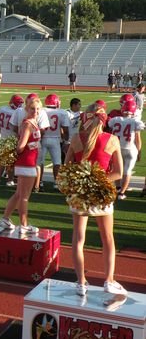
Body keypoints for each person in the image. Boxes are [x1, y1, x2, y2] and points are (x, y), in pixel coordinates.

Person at [65, 102, 126, 297]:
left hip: (80, 194)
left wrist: (85, 180)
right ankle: (108, 280)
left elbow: (66, 168)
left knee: (78, 238)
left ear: (85, 118)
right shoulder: (112, 139)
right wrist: (98, 180)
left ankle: (81, 282)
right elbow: (118, 173)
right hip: (101, 194)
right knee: (107, 239)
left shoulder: (76, 138)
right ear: (103, 119)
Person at [0, 98, 42, 234]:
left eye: (38, 109)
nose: (35, 111)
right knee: (24, 196)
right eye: (32, 108)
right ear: (27, 109)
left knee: (18, 194)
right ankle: (23, 225)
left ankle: (5, 218)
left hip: (29, 162)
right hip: (26, 163)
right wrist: (33, 145)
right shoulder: (27, 124)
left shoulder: (33, 122)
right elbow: (20, 147)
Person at [108, 100, 143, 200]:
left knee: (117, 168)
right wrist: (139, 151)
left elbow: (110, 129)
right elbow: (137, 139)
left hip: (116, 148)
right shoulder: (136, 121)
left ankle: (118, 188)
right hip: (130, 148)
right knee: (127, 170)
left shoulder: (115, 119)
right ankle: (122, 193)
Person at [36, 94, 69, 190]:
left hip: (43, 138)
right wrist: (66, 141)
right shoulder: (62, 112)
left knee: (40, 162)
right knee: (57, 162)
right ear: (56, 102)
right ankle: (56, 182)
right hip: (55, 139)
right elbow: (65, 129)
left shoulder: (41, 111)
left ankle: (40, 182)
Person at [0, 95, 23, 186]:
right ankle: (10, 180)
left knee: (2, 160)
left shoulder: (2, 108)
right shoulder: (16, 113)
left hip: (3, 137)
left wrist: (0, 131)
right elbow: (15, 128)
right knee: (10, 161)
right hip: (11, 139)